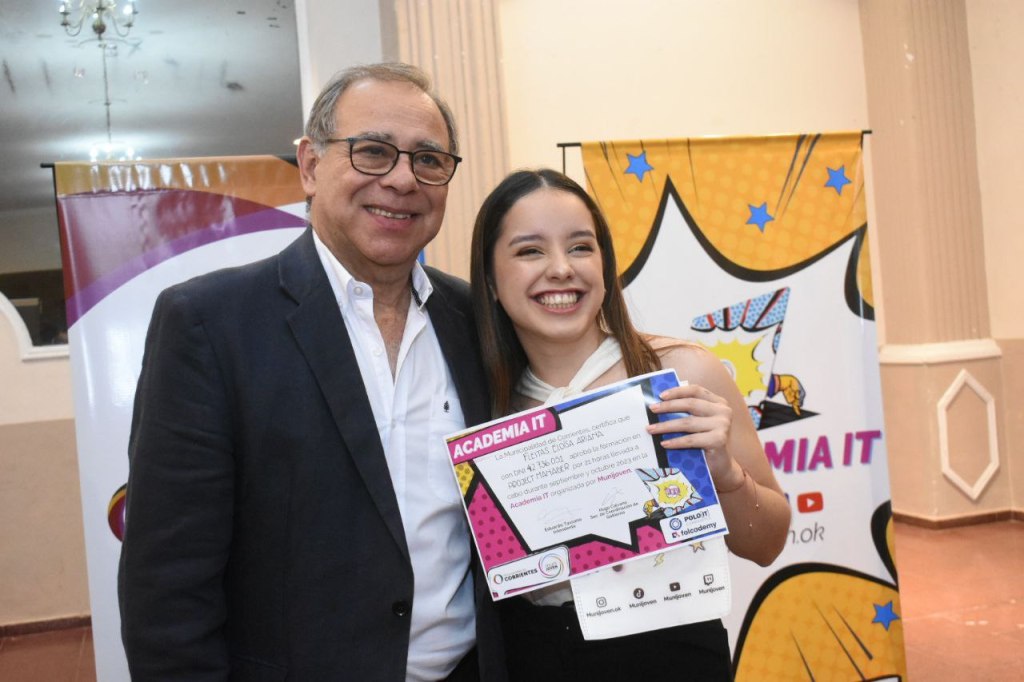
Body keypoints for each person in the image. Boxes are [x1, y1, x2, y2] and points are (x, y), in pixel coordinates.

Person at [118, 63, 506, 681]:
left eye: (429, 160)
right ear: (309, 165)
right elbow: (168, 588)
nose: (403, 179)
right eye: (373, 151)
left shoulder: (478, 321)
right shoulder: (209, 324)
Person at [469, 169, 791, 680]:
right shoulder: (483, 406)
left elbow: (767, 544)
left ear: (605, 264)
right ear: (490, 279)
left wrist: (726, 475)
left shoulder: (681, 376)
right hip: (529, 656)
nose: (561, 269)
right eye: (530, 251)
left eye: (581, 247)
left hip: (673, 653)